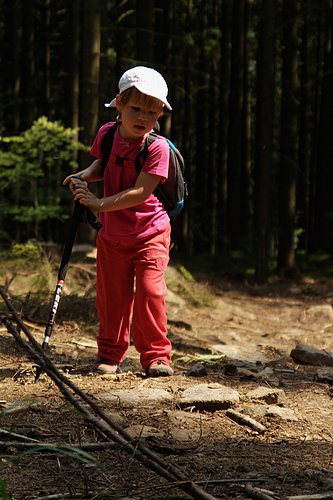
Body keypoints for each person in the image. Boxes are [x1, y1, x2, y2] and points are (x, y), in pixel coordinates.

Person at [63, 66, 174, 377]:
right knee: (112, 297)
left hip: (150, 232)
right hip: (113, 235)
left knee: (151, 293)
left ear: (159, 115)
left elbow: (141, 191)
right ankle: (109, 356)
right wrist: (84, 176)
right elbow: (104, 164)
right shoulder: (108, 134)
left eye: (152, 112)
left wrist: (98, 204)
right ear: (120, 104)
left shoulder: (157, 148)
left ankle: (156, 357)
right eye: (136, 108)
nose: (143, 118)